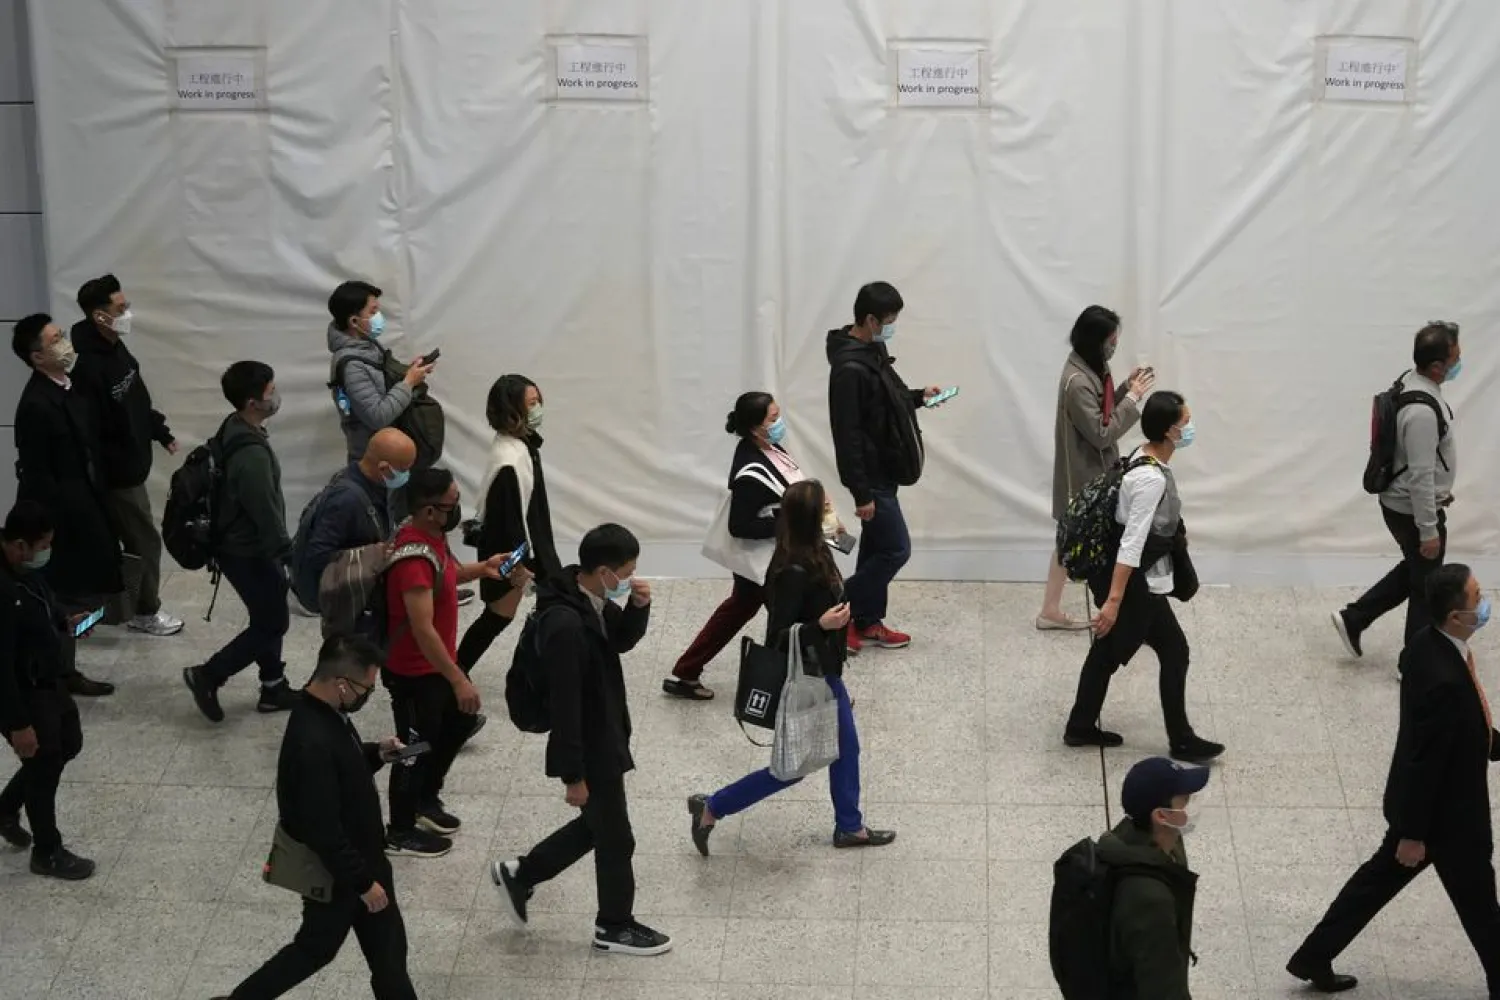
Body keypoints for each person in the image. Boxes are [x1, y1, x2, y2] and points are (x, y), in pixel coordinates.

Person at [1288, 563, 1500, 995]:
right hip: (1447, 818)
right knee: (1481, 908)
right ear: (1455, 616)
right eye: (1477, 598)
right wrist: (1412, 833)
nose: (1484, 604)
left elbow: (1454, 733)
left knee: (1373, 887)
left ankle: (1313, 956)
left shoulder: (1425, 646)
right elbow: (1426, 760)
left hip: (1423, 811)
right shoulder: (1445, 680)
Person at [490, 524, 671, 956]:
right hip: (592, 743)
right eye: (626, 572)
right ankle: (614, 925)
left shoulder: (584, 593)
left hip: (603, 728)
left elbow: (618, 641)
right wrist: (573, 775)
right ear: (604, 570)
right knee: (616, 837)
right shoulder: (566, 626)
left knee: (599, 826)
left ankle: (522, 874)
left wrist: (638, 607)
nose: (628, 578)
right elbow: (567, 706)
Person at [687, 479, 895, 852]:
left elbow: (843, 553)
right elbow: (779, 634)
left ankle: (850, 826)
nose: (831, 504)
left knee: (846, 749)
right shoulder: (791, 570)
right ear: (810, 518)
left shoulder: (813, 547)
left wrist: (840, 532)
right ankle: (713, 806)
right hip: (809, 675)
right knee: (790, 769)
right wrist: (821, 626)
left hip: (827, 670)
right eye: (825, 505)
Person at [213, 635, 418, 1000]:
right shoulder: (311, 742)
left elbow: (343, 771)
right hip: (341, 875)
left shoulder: (327, 713)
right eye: (366, 687)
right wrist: (362, 884)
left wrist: (375, 754)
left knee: (388, 956)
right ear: (342, 683)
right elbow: (322, 829)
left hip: (363, 862)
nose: (367, 695)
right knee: (314, 949)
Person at [1062, 391, 1223, 763]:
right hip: (1138, 585)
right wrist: (1114, 602)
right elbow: (1132, 544)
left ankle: (1082, 724)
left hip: (1136, 583)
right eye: (1185, 422)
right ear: (1169, 431)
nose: (1189, 428)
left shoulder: (1141, 455)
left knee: (1140, 651)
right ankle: (1179, 740)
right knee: (1143, 651)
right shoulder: (1150, 478)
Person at [382, 468, 516, 857]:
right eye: (451, 504)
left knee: (459, 722)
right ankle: (400, 831)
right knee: (412, 748)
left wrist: (483, 568)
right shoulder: (411, 558)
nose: (457, 509)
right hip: (412, 672)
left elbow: (446, 572)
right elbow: (422, 629)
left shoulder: (432, 538)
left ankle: (426, 797)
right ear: (428, 510)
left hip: (435, 667)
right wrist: (459, 679)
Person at [826, 281, 948, 656]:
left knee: (877, 547)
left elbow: (887, 403)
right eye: (889, 320)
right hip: (872, 479)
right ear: (869, 319)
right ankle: (838, 608)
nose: (893, 327)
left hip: (886, 471)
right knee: (896, 550)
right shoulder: (849, 368)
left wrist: (918, 398)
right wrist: (860, 493)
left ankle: (865, 620)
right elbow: (846, 436)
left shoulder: (872, 350)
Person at [665, 391, 806, 701]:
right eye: (773, 418)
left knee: (740, 609)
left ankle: (687, 670)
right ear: (756, 427)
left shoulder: (770, 448)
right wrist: (789, 523)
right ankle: (806, 687)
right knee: (793, 621)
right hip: (763, 560)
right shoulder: (748, 473)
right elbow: (740, 526)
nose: (780, 422)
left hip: (767, 558)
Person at [1333, 322, 1461, 660]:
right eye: (1455, 358)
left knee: (1416, 569)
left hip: (1404, 503)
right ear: (1437, 366)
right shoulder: (1421, 412)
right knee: (1426, 586)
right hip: (1412, 509)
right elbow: (1419, 475)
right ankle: (1413, 663)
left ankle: (1354, 618)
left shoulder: (1410, 380)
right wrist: (1429, 528)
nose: (1459, 364)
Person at [183, 362, 298, 721]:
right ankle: (209, 674)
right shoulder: (251, 454)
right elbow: (264, 511)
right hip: (248, 551)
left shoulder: (235, 427)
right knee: (272, 622)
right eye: (271, 391)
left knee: (268, 612)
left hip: (239, 546)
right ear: (252, 402)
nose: (276, 396)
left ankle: (273, 686)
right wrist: (287, 553)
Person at [71, 274, 184, 638]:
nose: (127, 313)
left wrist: (159, 431)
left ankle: (131, 607)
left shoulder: (117, 349)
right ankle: (145, 612)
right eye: (121, 309)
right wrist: (104, 479)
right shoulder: (88, 367)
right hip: (117, 476)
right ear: (99, 316)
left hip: (131, 467)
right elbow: (93, 430)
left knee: (138, 541)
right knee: (145, 542)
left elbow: (136, 398)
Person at [11, 313, 118, 697]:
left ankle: (63, 664)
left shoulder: (71, 387)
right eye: (55, 340)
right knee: (63, 596)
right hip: (62, 515)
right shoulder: (36, 405)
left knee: (83, 592)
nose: (65, 344)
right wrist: (51, 529)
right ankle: (58, 672)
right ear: (38, 357)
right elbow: (38, 475)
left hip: (86, 501)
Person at [1039, 306, 1153, 630]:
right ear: (1095, 340)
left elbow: (1099, 411)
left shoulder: (1090, 366)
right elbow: (1102, 434)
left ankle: (1050, 610)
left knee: (1066, 540)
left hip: (1090, 474)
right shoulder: (1077, 381)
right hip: (1085, 478)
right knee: (1101, 543)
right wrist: (1131, 400)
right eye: (1111, 340)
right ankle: (1117, 613)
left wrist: (1122, 391)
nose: (1114, 345)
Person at [0, 502, 96, 880]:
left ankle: (6, 806)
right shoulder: (2, 591)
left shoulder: (23, 571)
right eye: (43, 546)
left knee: (68, 741)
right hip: (21, 690)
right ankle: (47, 850)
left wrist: (63, 620)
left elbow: (42, 599)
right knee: (43, 762)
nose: (46, 553)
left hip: (47, 679)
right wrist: (18, 724)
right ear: (21, 545)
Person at [455, 375, 557, 676]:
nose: (538, 408)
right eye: (531, 403)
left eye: (538, 401)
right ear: (512, 410)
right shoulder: (509, 462)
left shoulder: (519, 445)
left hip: (529, 547)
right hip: (512, 554)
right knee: (499, 615)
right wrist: (518, 568)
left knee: (518, 612)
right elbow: (507, 523)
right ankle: (456, 672)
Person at [1098, 756, 1211, 1000]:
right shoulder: (1149, 899)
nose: (1192, 805)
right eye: (1185, 799)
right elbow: (1162, 989)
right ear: (1161, 816)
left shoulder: (1163, 843)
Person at [298, 427, 417, 616]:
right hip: (348, 601)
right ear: (384, 468)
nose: (407, 475)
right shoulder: (346, 500)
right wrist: (372, 554)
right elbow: (318, 555)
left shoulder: (366, 480)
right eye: (404, 469)